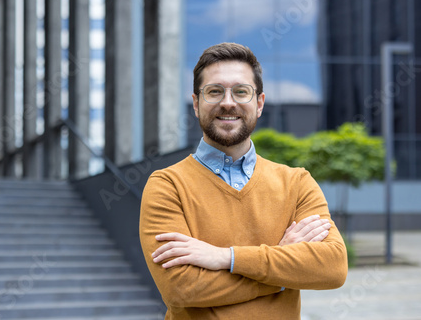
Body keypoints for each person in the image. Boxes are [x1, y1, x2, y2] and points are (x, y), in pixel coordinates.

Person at [139, 42, 347, 319]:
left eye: (241, 91)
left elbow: (332, 268)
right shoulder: (167, 185)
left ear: (259, 104)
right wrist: (282, 271)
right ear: (196, 103)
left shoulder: (297, 182)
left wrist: (226, 258)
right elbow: (182, 289)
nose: (228, 102)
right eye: (214, 91)